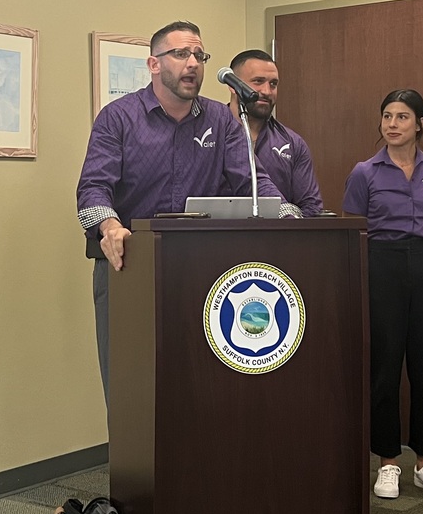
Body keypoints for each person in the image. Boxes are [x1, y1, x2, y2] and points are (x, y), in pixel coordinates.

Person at [77, 22, 295, 402]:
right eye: (181, 54)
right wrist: (108, 224)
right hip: (129, 267)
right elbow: (93, 187)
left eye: (199, 56)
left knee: (197, 382)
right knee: (131, 386)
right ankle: (134, 464)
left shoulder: (221, 119)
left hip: (199, 267)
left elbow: (252, 183)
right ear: (154, 64)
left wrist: (292, 218)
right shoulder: (119, 118)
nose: (192, 63)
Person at [342, 89, 423, 501]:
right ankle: (388, 461)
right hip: (381, 265)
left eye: (403, 117)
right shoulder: (365, 173)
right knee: (385, 367)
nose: (392, 124)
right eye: (387, 116)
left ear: (420, 124)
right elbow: (355, 229)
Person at [222, 49, 325, 216]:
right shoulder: (211, 134)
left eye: (273, 84)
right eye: (258, 81)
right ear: (232, 85)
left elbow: (311, 208)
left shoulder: (292, 143)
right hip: (214, 237)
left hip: (275, 238)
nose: (267, 91)